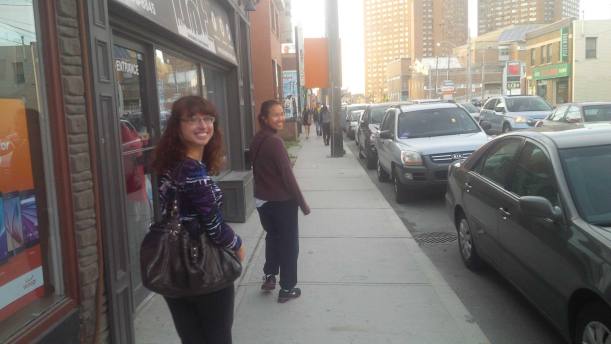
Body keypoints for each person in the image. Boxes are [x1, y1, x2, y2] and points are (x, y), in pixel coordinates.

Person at [151, 95, 245, 344]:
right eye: (193, 119)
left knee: (191, 338)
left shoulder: (169, 165)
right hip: (205, 267)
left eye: (208, 118)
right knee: (217, 337)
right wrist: (237, 244)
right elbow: (215, 226)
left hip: (173, 266)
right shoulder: (193, 171)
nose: (203, 125)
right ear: (177, 126)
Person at [250, 99, 310, 303]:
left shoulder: (257, 138)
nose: (280, 118)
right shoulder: (275, 142)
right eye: (275, 115)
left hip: (262, 200)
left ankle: (269, 275)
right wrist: (302, 204)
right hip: (281, 202)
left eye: (281, 113)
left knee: (273, 237)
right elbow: (287, 176)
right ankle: (287, 288)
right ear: (264, 118)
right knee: (289, 245)